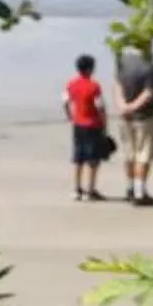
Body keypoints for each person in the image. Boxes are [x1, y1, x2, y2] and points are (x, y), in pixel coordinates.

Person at [117, 42, 153, 205]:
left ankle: (130, 188)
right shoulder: (149, 66)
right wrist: (133, 106)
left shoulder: (123, 60)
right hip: (144, 116)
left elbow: (117, 84)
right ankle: (139, 193)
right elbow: (149, 92)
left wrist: (122, 105)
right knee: (143, 155)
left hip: (125, 117)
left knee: (129, 154)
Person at [65, 54, 110, 200]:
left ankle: (76, 189)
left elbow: (65, 102)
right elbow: (100, 107)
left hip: (77, 124)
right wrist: (104, 124)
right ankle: (90, 190)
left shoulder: (71, 84)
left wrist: (70, 116)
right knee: (93, 158)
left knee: (78, 156)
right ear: (90, 68)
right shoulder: (94, 86)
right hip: (93, 125)